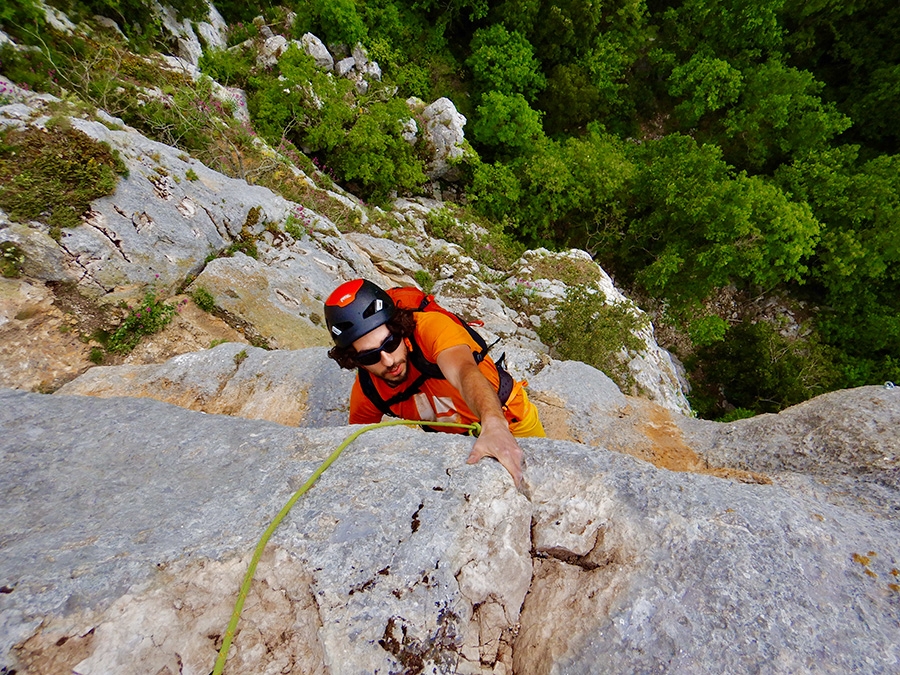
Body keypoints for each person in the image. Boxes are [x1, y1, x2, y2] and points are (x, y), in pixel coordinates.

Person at [324, 279, 545, 489]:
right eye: (369, 357)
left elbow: (462, 371)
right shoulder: (368, 391)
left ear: (400, 329)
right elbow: (355, 442)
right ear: (355, 361)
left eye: (390, 343)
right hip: (452, 446)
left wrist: (494, 424)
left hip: (509, 418)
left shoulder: (431, 329)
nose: (388, 361)